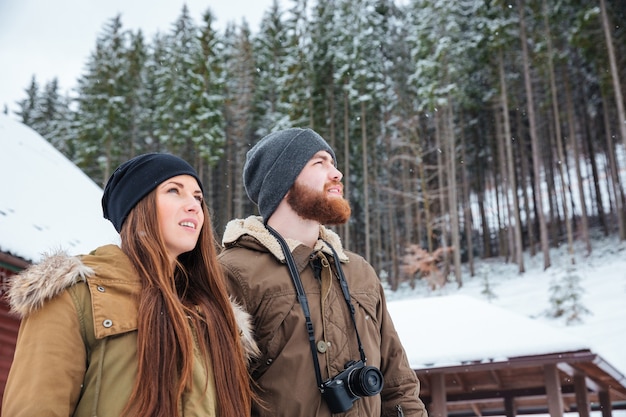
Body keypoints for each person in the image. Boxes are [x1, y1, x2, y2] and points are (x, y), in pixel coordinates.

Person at [3, 153, 258, 417]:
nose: (194, 205)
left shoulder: (216, 316)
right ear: (138, 206)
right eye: (174, 190)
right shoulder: (77, 295)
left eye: (198, 197)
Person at [218, 128, 428, 417]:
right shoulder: (233, 273)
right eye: (320, 163)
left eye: (334, 162)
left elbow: (398, 385)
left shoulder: (359, 272)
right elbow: (219, 395)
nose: (337, 173)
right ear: (283, 181)